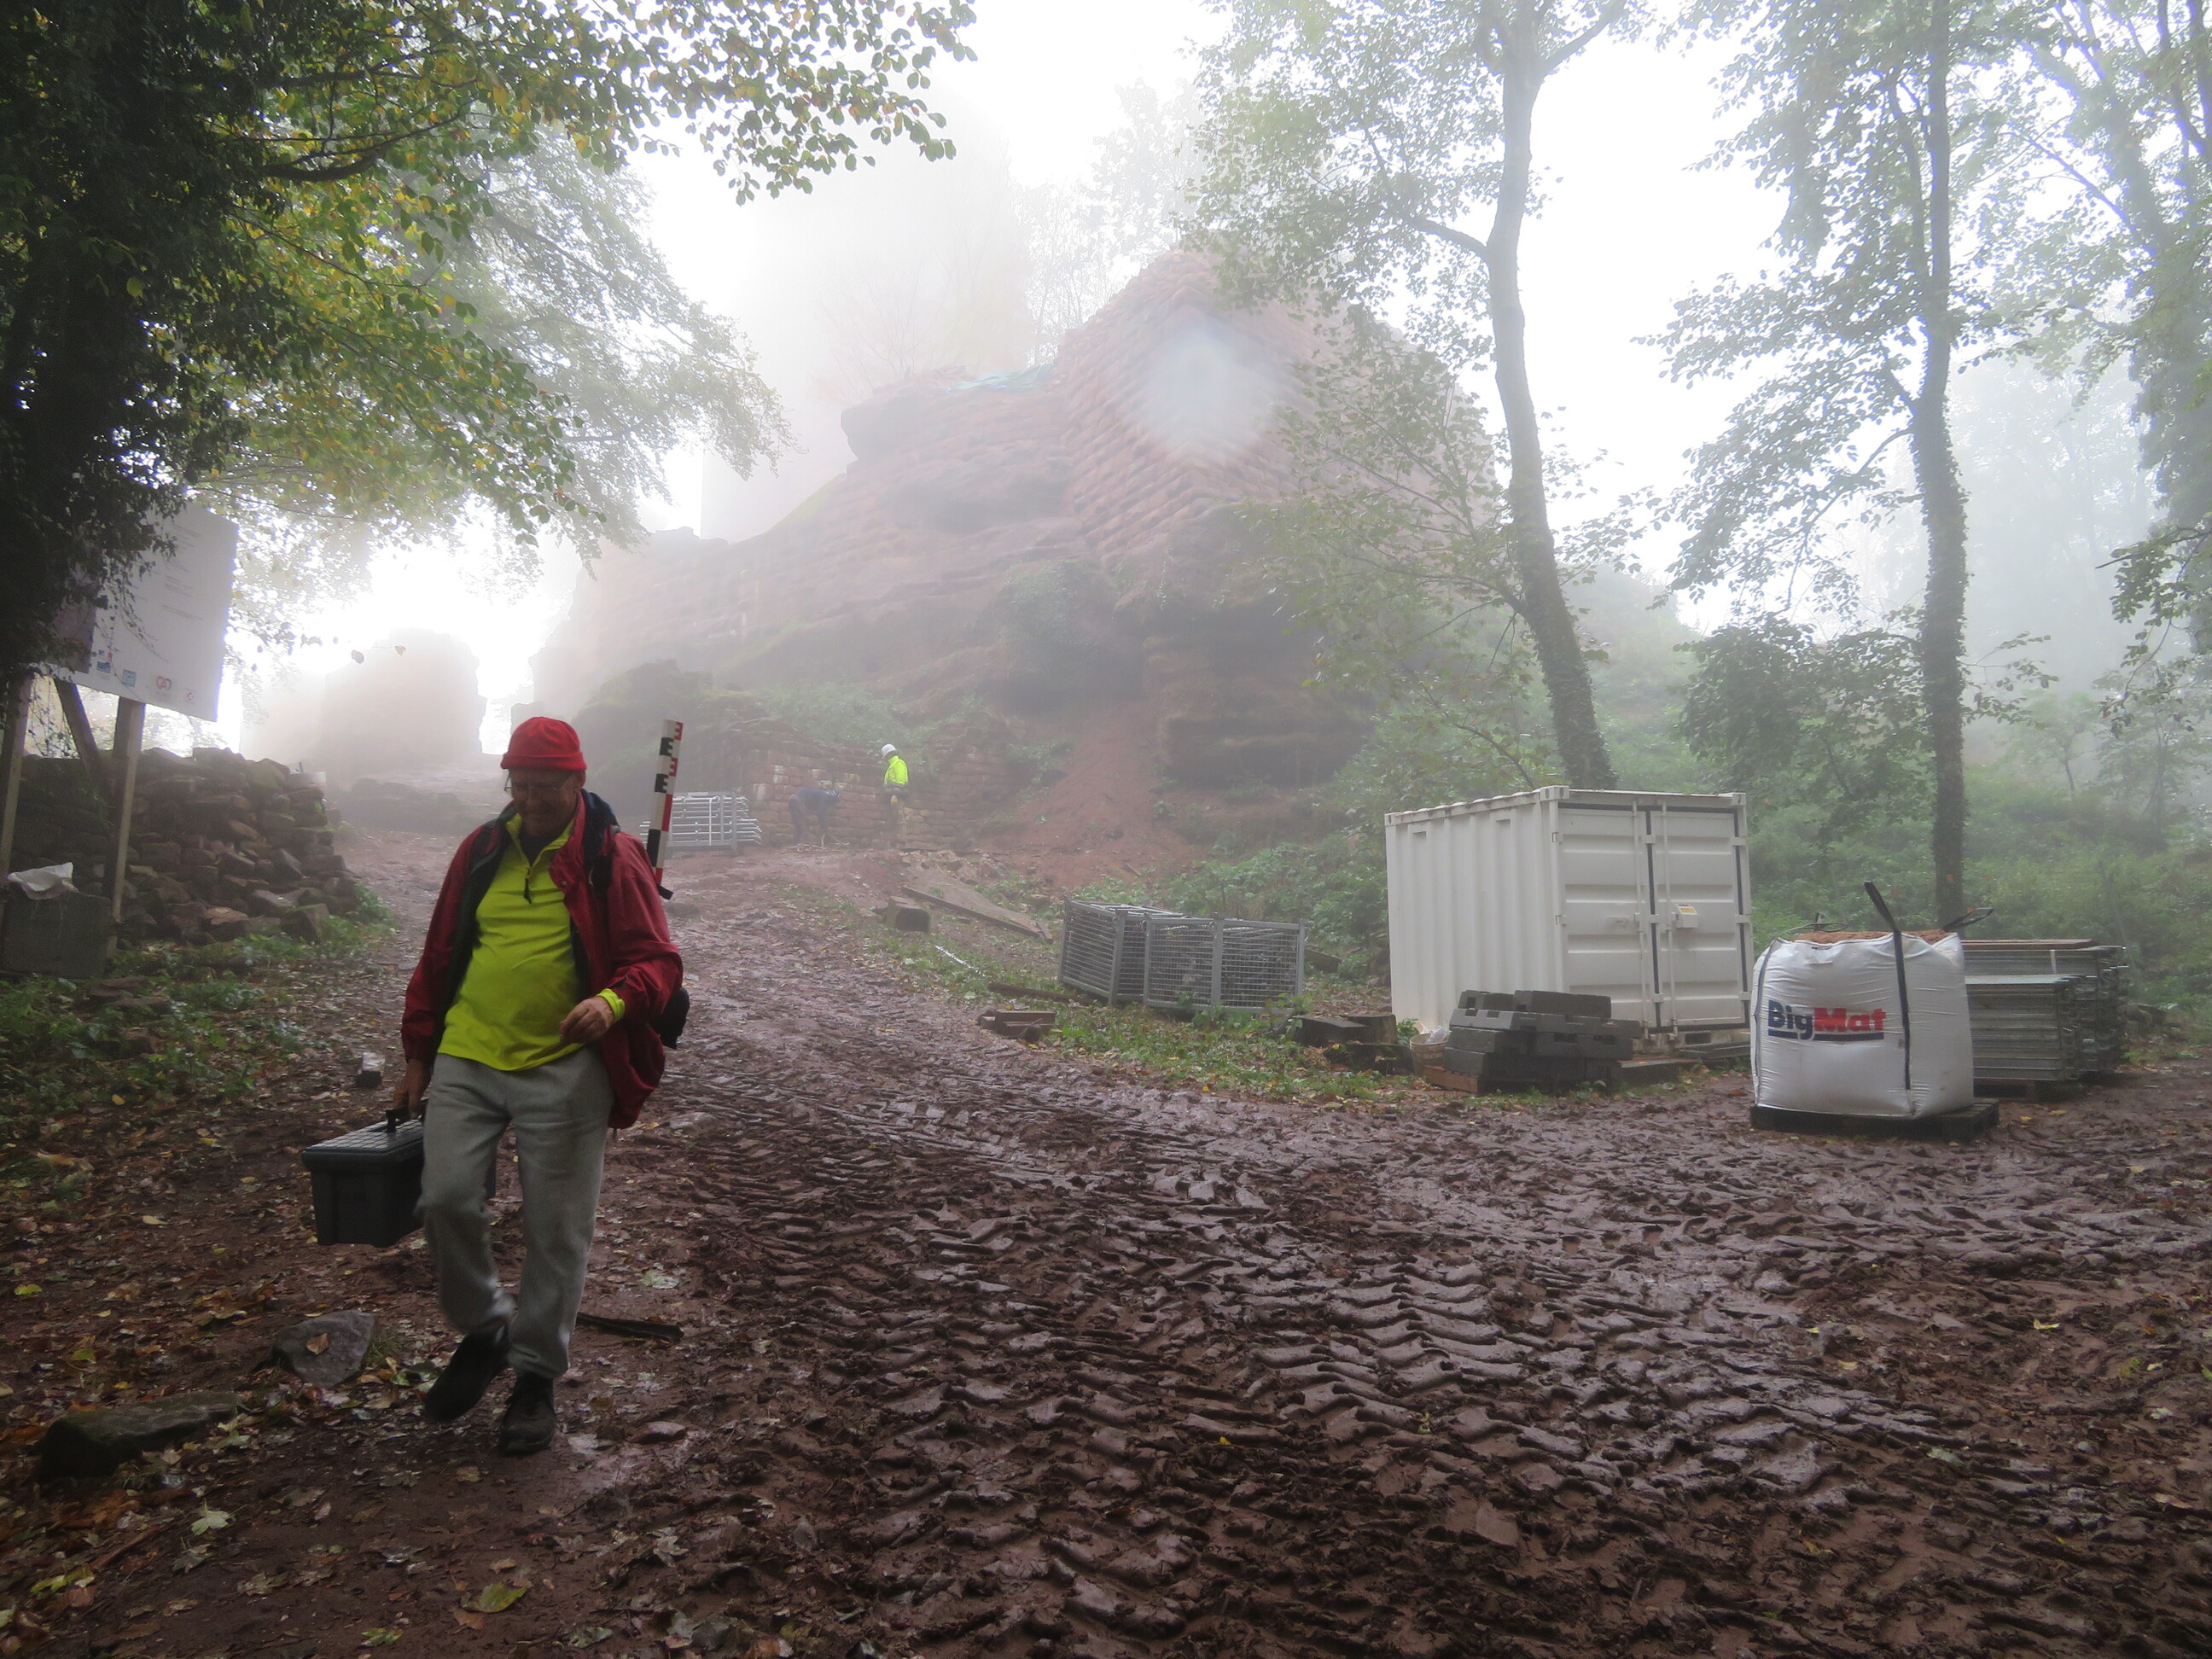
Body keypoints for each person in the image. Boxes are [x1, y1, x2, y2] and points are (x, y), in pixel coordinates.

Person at [394, 716, 682, 1454]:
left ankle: (535, 1377)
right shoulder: (482, 848)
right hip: (470, 1051)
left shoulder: (611, 855)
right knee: (446, 1197)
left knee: (557, 1230)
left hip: (566, 1065)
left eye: (544, 787)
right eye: (518, 786)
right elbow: (440, 950)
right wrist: (418, 1051)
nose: (529, 800)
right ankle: (487, 1327)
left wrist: (611, 1002)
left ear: (577, 781)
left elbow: (658, 962)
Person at [787, 781, 841, 846]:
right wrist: (825, 827)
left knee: (799, 825)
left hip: (792, 799)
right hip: (797, 800)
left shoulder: (824, 794)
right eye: (837, 801)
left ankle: (795, 844)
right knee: (804, 824)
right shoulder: (826, 797)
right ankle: (805, 845)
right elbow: (821, 813)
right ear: (835, 798)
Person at [880, 742, 908, 840]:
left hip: (896, 796)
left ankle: (902, 842)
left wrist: (895, 794)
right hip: (891, 795)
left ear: (888, 755)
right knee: (892, 818)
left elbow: (901, 782)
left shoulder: (899, 763)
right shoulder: (891, 766)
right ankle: (894, 842)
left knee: (899, 817)